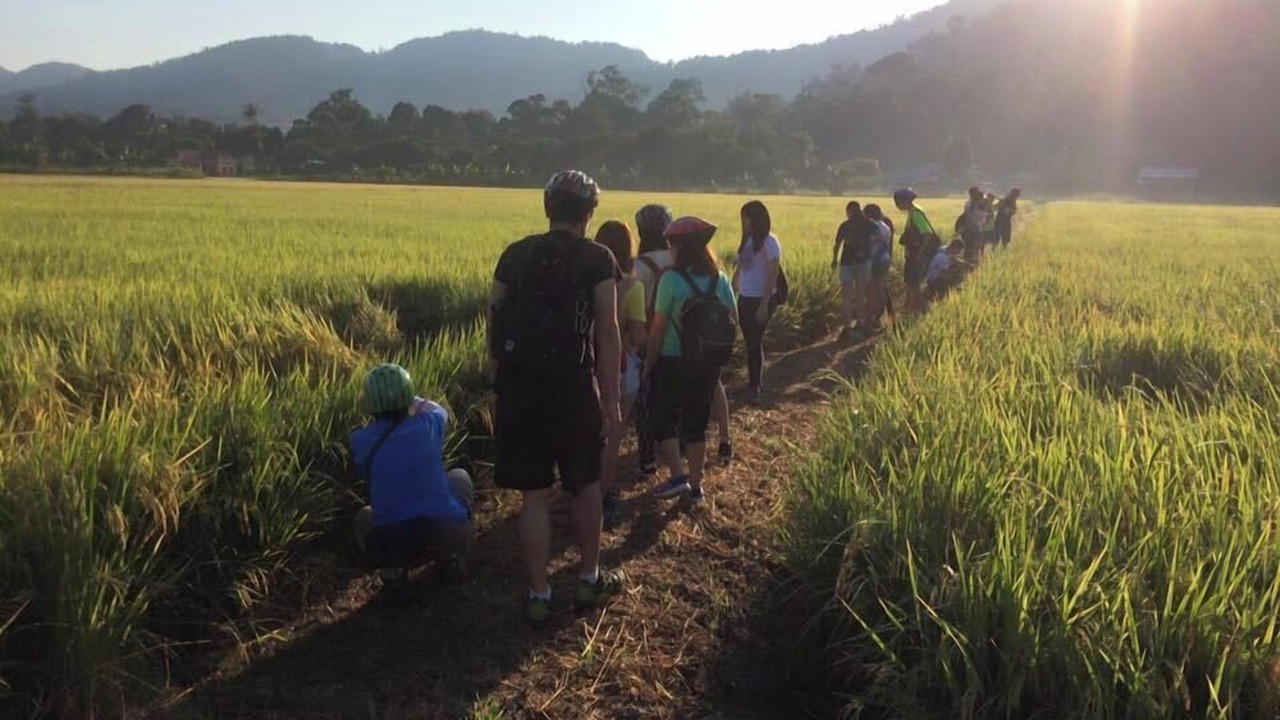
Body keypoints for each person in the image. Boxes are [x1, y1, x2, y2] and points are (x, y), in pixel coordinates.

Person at [487, 170, 625, 624]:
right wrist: (611, 399)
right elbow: (608, 333)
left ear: (549, 208)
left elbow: (494, 321)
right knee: (585, 485)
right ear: (588, 213)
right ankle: (588, 579)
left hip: (519, 386)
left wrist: (499, 383)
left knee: (533, 495)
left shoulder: (514, 254)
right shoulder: (598, 258)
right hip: (572, 386)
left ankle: (538, 594)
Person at [351, 363, 474, 603]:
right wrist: (410, 398)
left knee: (364, 517)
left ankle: (393, 576)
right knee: (459, 476)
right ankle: (450, 560)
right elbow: (440, 410)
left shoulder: (361, 440)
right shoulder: (428, 424)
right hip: (444, 531)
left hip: (395, 542)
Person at [646, 217, 739, 504]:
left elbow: (658, 327)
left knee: (663, 418)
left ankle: (678, 476)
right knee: (697, 425)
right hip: (707, 363)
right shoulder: (719, 278)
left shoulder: (671, 280)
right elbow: (733, 319)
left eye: (671, 244)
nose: (669, 249)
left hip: (672, 359)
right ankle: (697, 488)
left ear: (680, 247)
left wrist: (649, 362)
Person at [593, 220, 647, 531]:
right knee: (613, 437)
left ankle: (579, 492)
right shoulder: (632, 287)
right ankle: (602, 496)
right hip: (623, 370)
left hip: (586, 366)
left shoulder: (585, 281)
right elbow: (638, 337)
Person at [734, 200, 782, 398]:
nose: (743, 222)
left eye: (745, 218)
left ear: (755, 219)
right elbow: (741, 269)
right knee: (749, 341)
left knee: (755, 341)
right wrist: (733, 286)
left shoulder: (770, 242)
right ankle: (752, 381)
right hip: (745, 297)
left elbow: (773, 274)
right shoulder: (747, 241)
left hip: (760, 299)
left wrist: (764, 304)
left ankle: (755, 385)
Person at [831, 201, 875, 339]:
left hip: (846, 262)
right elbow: (879, 237)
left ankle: (847, 325)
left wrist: (834, 259)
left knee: (846, 295)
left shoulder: (845, 225)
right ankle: (860, 323)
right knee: (860, 293)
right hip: (863, 261)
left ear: (849, 211)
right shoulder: (869, 224)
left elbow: (837, 244)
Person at [894, 188, 938, 316]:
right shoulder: (913, 212)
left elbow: (927, 234)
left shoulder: (916, 214)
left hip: (917, 255)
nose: (896, 205)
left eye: (897, 201)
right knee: (912, 282)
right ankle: (915, 309)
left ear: (904, 201)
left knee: (913, 283)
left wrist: (920, 254)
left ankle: (914, 310)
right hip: (914, 254)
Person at [864, 203, 894, 331]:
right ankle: (880, 315)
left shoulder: (870, 227)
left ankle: (872, 318)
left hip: (873, 260)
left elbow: (867, 244)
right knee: (880, 287)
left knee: (871, 291)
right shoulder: (885, 226)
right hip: (884, 258)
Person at [925, 239, 967, 306]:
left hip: (934, 275)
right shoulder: (942, 257)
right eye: (958, 251)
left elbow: (954, 259)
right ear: (955, 248)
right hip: (933, 279)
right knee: (953, 281)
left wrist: (964, 264)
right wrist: (956, 275)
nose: (958, 253)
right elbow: (945, 273)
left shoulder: (944, 249)